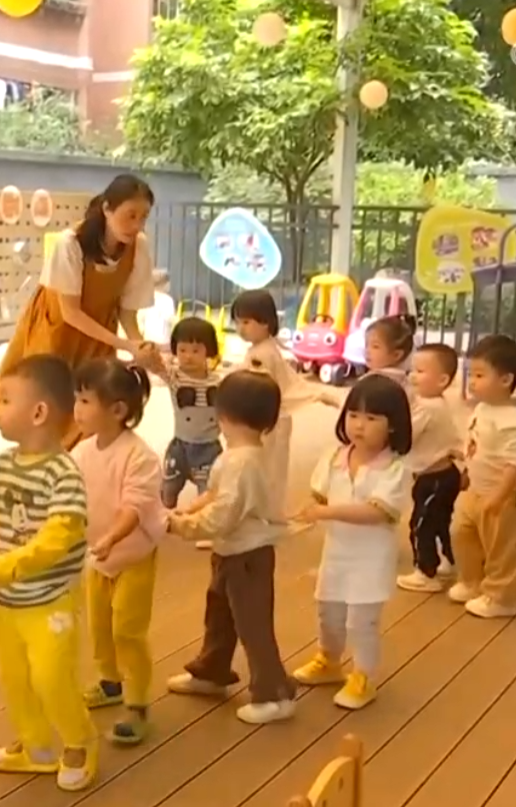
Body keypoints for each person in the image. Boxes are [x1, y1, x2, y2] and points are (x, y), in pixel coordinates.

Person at [0, 355, 98, 791]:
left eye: (4, 400)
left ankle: (79, 742)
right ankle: (37, 748)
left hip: (51, 602)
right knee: (15, 680)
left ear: (38, 413)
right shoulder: (0, 466)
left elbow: (58, 538)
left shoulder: (64, 473)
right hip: (8, 602)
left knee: (51, 678)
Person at [0, 174, 161, 449]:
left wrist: (139, 346)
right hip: (56, 329)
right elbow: (70, 312)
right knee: (46, 408)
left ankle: (83, 467)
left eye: (144, 217)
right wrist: (126, 345)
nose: (137, 225)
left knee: (93, 408)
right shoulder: (69, 243)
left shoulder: (138, 247)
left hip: (99, 333)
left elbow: (128, 314)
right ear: (107, 208)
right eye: (130, 215)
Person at [164, 370, 296, 725]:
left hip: (247, 556)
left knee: (253, 626)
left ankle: (275, 694)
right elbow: (214, 494)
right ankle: (212, 671)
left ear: (222, 414)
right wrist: (188, 509)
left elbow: (224, 513)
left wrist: (181, 526)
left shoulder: (241, 462)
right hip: (231, 552)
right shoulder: (241, 454)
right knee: (220, 615)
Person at [292, 374, 412, 711]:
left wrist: (325, 511)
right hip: (335, 555)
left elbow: (377, 512)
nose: (359, 425)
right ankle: (329, 661)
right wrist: (303, 514)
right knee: (328, 613)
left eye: (372, 418)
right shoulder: (334, 456)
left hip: (370, 561)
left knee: (362, 622)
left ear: (393, 424)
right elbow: (318, 497)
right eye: (353, 415)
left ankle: (363, 676)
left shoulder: (396, 468)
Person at [71, 358, 165, 744]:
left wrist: (111, 537)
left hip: (133, 555)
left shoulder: (139, 456)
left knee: (127, 630)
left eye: (85, 401)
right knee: (99, 627)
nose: (77, 409)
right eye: (76, 399)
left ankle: (138, 704)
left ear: (118, 410)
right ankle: (110, 683)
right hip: (98, 557)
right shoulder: (82, 451)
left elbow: (134, 507)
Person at [450, 335, 516, 619]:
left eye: (480, 375)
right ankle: (472, 582)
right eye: (471, 374)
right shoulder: (482, 409)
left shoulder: (513, 421)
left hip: (504, 496)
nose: (471, 381)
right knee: (462, 533)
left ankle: (501, 597)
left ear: (506, 380)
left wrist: (500, 495)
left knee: (502, 548)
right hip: (475, 489)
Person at [144, 316, 225, 549]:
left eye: (196, 350)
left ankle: (205, 528)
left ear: (209, 350)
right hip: (180, 445)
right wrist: (149, 351)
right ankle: (161, 522)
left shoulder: (219, 382)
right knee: (168, 488)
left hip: (209, 447)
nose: (188, 356)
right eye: (182, 350)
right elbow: (156, 366)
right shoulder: (175, 376)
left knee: (207, 491)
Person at [230, 289, 311, 515]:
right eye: (237, 322)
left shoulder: (262, 354)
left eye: (247, 322)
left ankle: (266, 512)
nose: (241, 328)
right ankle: (266, 510)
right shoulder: (264, 348)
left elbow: (257, 387)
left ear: (265, 322)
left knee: (266, 468)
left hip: (268, 421)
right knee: (269, 467)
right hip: (270, 418)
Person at [396, 344, 465, 593]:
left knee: (421, 525)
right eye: (412, 370)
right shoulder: (435, 403)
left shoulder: (427, 407)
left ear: (442, 380)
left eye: (421, 371)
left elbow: (406, 436)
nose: (413, 376)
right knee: (439, 522)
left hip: (433, 478)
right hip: (444, 475)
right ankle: (447, 561)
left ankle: (426, 573)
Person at [142, 269, 177, 347]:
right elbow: (170, 319)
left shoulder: (146, 297)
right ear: (165, 283)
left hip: (147, 338)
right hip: (163, 340)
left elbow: (142, 319)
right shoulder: (167, 299)